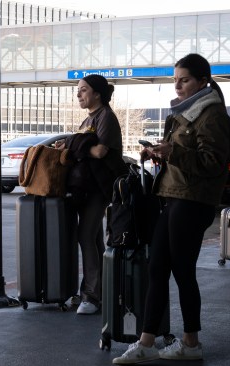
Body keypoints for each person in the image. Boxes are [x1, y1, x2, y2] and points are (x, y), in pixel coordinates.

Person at [113, 53, 230, 364]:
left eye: (185, 80)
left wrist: (173, 152)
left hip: (193, 200)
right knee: (159, 269)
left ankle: (189, 343)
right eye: (176, 79)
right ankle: (148, 342)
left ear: (203, 81)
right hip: (174, 196)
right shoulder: (186, 113)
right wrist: (159, 153)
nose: (178, 85)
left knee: (181, 271)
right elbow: (184, 154)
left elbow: (213, 163)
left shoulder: (212, 116)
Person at [61, 74, 127, 315]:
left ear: (97, 93)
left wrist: (76, 145)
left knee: (85, 236)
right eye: (78, 90)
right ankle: (96, 290)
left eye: (84, 90)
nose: (79, 94)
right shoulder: (88, 119)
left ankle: (92, 295)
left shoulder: (106, 117)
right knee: (94, 239)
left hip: (100, 188)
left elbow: (99, 152)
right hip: (86, 188)